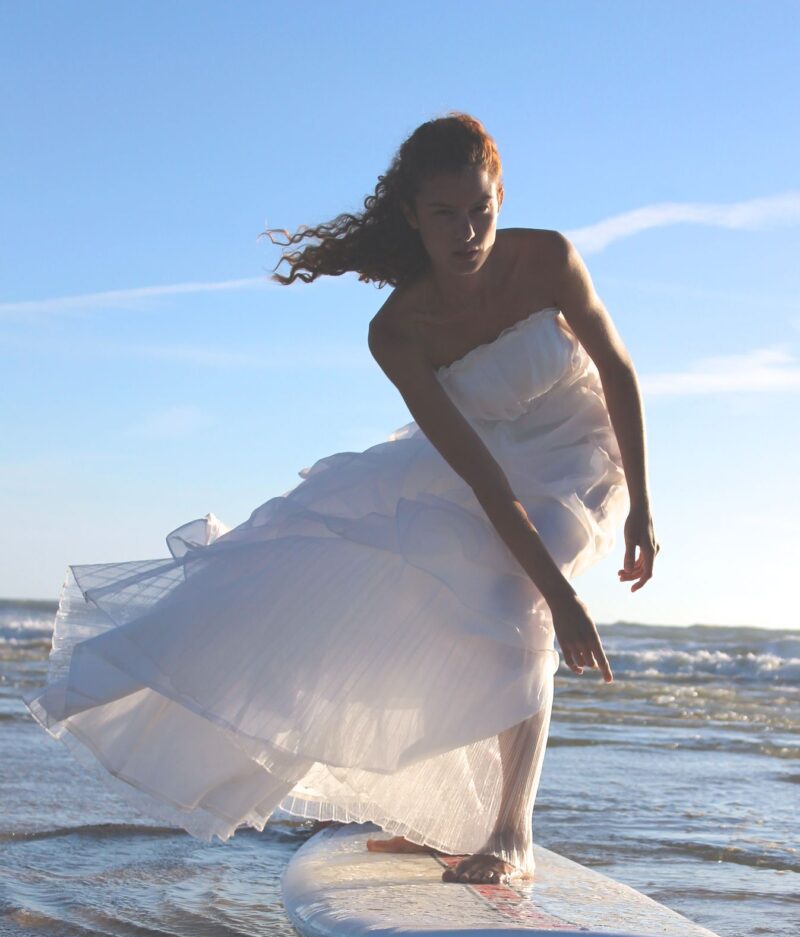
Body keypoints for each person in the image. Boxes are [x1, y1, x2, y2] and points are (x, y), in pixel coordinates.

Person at [25, 111, 658, 888]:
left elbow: (619, 371)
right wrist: (560, 594)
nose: (468, 234)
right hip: (484, 466)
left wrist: (642, 509)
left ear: (502, 198)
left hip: (581, 452)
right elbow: (482, 479)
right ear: (411, 215)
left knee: (513, 593)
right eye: (445, 214)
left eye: (482, 210)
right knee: (423, 593)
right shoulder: (397, 331)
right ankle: (458, 821)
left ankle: (512, 835)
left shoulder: (549, 258)